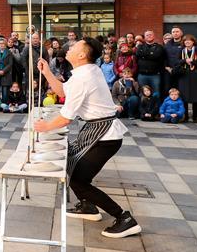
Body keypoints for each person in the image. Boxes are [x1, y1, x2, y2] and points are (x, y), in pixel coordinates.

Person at [35, 37, 142, 238]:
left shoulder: (84, 77)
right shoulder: (87, 71)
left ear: (82, 54)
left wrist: (45, 127)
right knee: (74, 166)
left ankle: (124, 218)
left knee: (78, 180)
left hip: (104, 137)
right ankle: (87, 206)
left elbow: (66, 118)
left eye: (75, 46)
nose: (70, 46)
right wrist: (47, 72)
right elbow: (63, 91)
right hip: (98, 131)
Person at [177, 34, 197, 122]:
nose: (187, 42)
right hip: (184, 75)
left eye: (189, 40)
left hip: (195, 75)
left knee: (195, 95)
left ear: (193, 42)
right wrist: (185, 60)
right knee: (184, 95)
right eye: (185, 41)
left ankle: (195, 116)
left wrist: (193, 61)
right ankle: (186, 116)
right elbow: (176, 62)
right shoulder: (181, 50)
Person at [135, 30, 165, 96]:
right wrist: (151, 54)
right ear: (144, 37)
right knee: (142, 94)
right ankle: (144, 106)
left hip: (155, 75)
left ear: (154, 36)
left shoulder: (159, 47)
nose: (149, 36)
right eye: (147, 35)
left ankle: (155, 106)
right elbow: (138, 54)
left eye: (150, 34)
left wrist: (143, 55)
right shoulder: (140, 46)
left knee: (156, 93)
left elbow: (156, 55)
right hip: (142, 75)